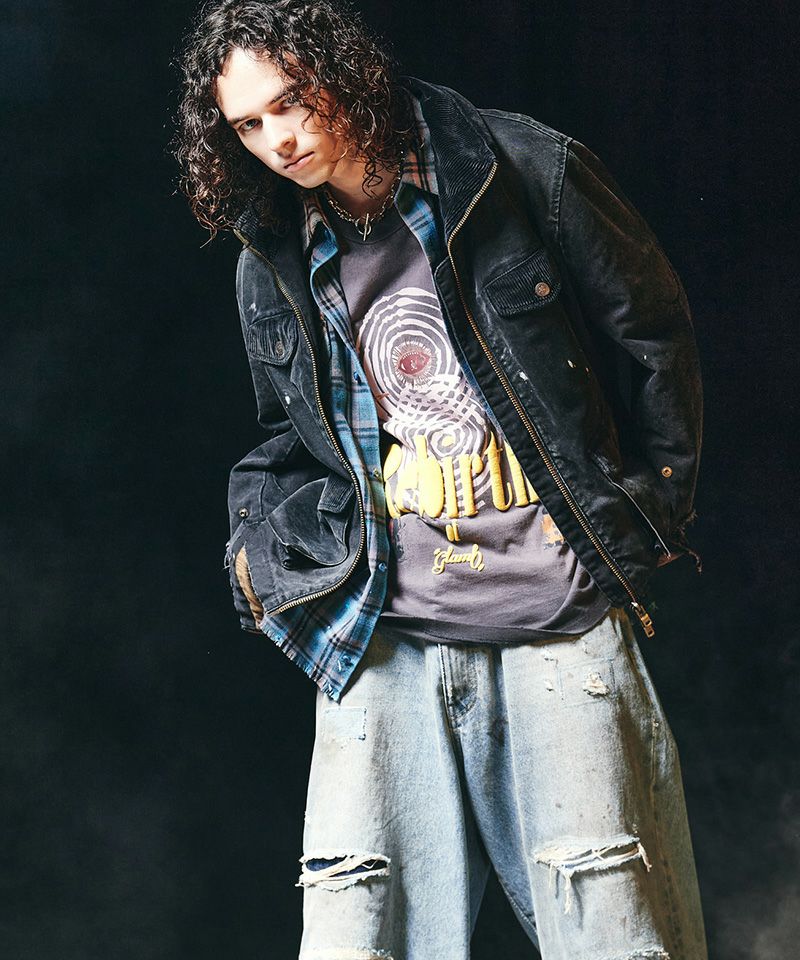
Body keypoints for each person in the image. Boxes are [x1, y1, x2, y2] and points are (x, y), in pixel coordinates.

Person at [173, 1, 708, 957]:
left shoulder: (520, 169)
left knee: (609, 929)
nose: (278, 139)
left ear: (346, 70)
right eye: (248, 124)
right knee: (352, 932)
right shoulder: (274, 247)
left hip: (558, 619)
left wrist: (639, 517)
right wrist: (261, 554)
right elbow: (287, 433)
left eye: (292, 100)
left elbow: (653, 339)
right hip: (386, 631)